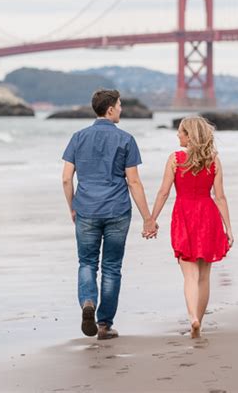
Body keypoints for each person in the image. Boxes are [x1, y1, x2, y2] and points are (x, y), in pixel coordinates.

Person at [62, 89, 158, 340]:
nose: (122, 109)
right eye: (119, 105)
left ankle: (87, 302)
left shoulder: (78, 137)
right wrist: (148, 217)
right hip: (117, 211)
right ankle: (104, 325)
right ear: (110, 109)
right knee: (112, 267)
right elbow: (134, 182)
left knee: (87, 263)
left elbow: (65, 178)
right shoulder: (125, 139)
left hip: (86, 210)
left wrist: (73, 205)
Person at [150, 115, 234, 338]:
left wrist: (151, 219)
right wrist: (228, 228)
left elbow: (164, 192)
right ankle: (199, 320)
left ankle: (192, 318)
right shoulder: (213, 159)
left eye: (180, 131)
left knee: (190, 275)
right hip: (208, 216)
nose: (177, 135)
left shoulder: (175, 159)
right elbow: (220, 197)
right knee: (204, 276)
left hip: (185, 215)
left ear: (189, 135)